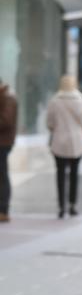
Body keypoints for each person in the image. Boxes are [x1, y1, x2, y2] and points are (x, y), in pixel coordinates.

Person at [47, 76, 82, 219]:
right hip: (76, 142)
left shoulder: (55, 101)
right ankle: (72, 204)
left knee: (60, 174)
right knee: (74, 173)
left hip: (59, 141)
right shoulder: (80, 100)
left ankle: (61, 206)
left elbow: (50, 123)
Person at [0, 79, 17, 222]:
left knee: (2, 176)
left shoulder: (8, 98)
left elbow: (6, 121)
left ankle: (3, 210)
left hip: (3, 143)